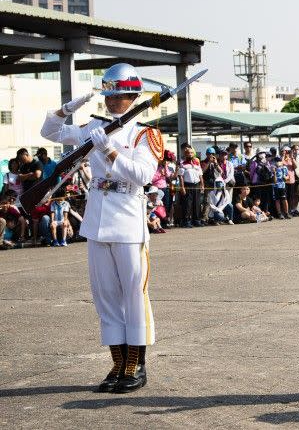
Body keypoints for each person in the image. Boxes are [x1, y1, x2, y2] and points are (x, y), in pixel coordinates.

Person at [40, 63, 162, 393]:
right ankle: (117, 363)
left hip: (128, 221)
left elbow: (142, 175)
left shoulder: (144, 134)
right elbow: (49, 133)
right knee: (105, 295)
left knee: (134, 294)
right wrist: (67, 107)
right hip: (97, 219)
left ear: (134, 96)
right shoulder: (94, 126)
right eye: (108, 95)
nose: (111, 101)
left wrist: (109, 151)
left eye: (118, 96)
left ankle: (136, 364)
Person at [177, 145, 204, 228]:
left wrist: (202, 185)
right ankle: (186, 221)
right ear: (185, 154)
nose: (190, 154)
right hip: (187, 185)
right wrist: (182, 187)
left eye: (192, 153)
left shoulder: (197, 164)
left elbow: (200, 176)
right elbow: (180, 176)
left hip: (196, 185)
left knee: (197, 203)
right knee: (187, 204)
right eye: (188, 153)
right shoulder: (183, 164)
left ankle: (196, 220)